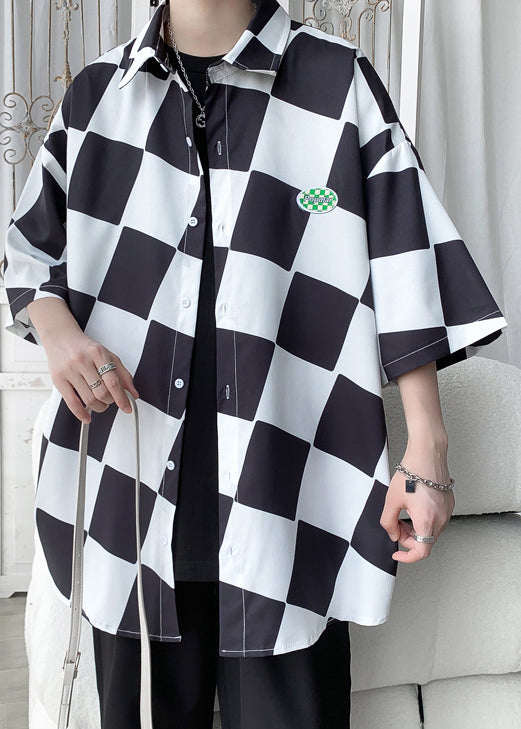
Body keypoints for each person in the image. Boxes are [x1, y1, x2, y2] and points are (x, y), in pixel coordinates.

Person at [2, 0, 508, 727]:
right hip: (132, 503)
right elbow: (28, 258)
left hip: (292, 504)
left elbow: (406, 264)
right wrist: (60, 337)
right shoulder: (97, 96)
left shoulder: (337, 83)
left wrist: (427, 449)